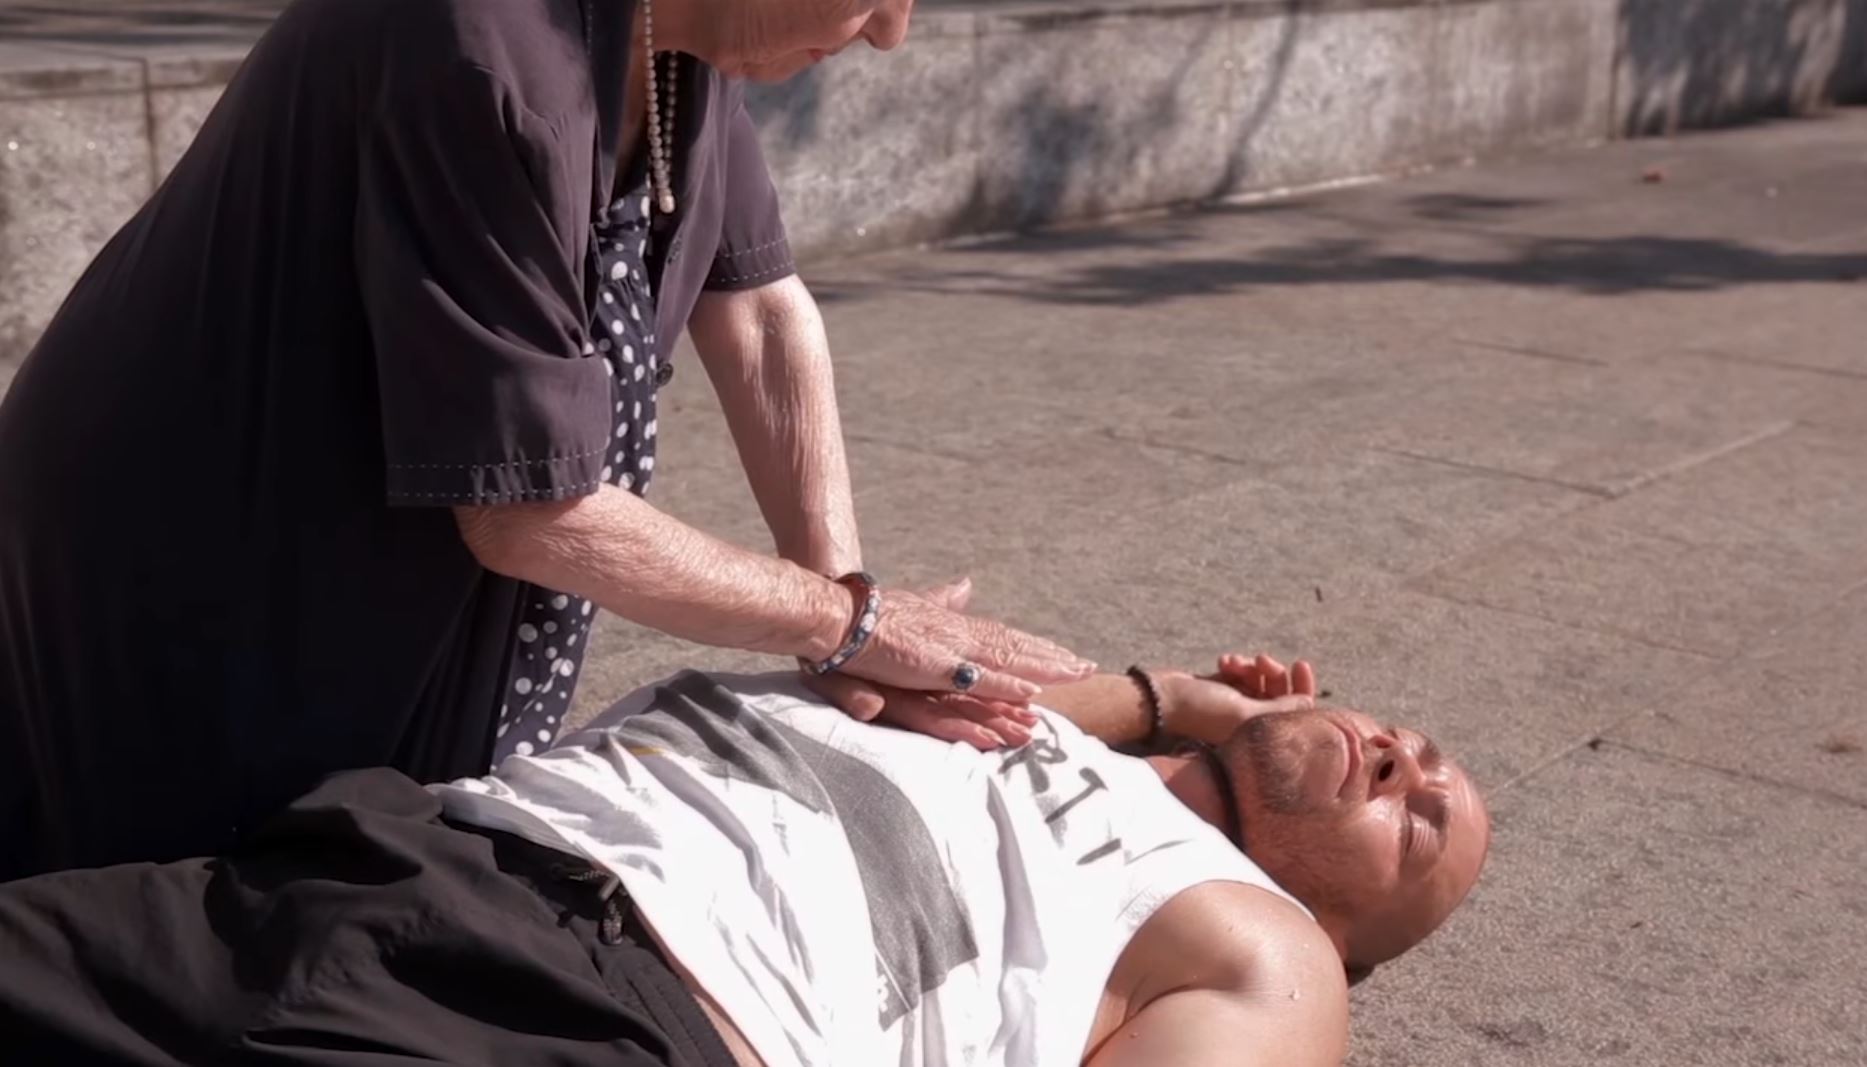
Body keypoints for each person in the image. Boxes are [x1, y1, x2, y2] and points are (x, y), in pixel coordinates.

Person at [0, 0, 1091, 881]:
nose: (893, 30)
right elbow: (529, 511)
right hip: (195, 554)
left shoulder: (679, 43)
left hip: (344, 545)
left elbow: (761, 309)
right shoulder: (475, 39)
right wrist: (845, 622)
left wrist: (843, 613)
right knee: (152, 925)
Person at [0, 653, 1490, 1066]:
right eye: (1410, 735)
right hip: (392, 853)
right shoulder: (1037, 731)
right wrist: (1182, 699)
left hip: (604, 1014)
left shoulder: (1261, 946)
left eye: (1419, 818)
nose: (1407, 760)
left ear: (1347, 934)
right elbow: (1014, 690)